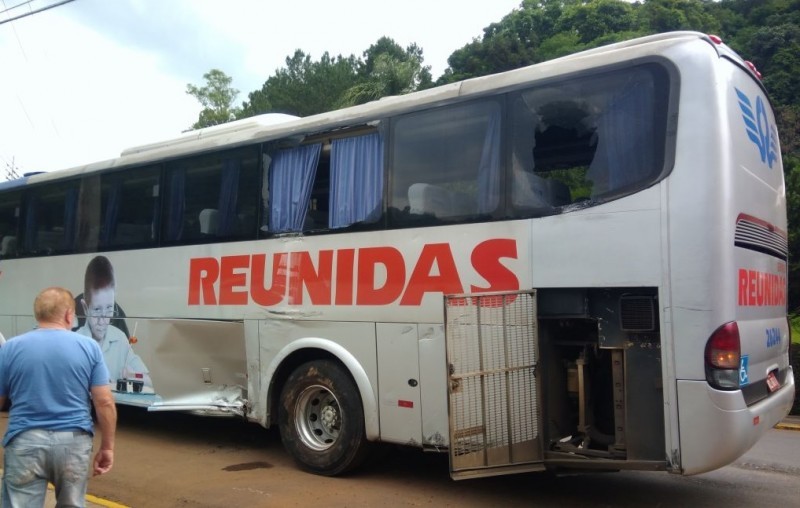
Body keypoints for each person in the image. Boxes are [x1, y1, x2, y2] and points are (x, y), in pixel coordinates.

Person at [0, 287, 117, 507]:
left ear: (38, 314)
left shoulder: (10, 349)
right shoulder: (89, 347)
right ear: (68, 315)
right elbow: (104, 402)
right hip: (73, 444)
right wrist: (107, 447)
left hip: (24, 441)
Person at [76, 255, 153, 391]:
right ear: (85, 307)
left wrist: (132, 375)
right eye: (97, 310)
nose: (103, 320)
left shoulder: (120, 338)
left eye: (109, 309)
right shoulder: (76, 343)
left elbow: (147, 380)